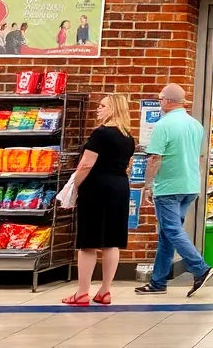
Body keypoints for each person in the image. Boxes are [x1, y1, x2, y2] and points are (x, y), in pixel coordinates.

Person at [135, 84, 213, 297]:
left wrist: (148, 185)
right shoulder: (195, 124)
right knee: (166, 235)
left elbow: (154, 159)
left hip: (169, 187)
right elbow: (199, 156)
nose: (159, 103)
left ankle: (200, 268)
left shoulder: (163, 125)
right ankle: (158, 282)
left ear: (168, 101)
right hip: (189, 185)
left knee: (171, 230)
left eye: (161, 99)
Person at [62, 93, 136, 306]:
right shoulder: (127, 136)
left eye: (103, 106)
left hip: (97, 187)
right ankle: (105, 291)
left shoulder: (101, 134)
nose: (98, 109)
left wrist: (73, 186)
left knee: (88, 242)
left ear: (113, 109)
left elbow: (86, 164)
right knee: (112, 241)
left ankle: (82, 292)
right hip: (120, 187)